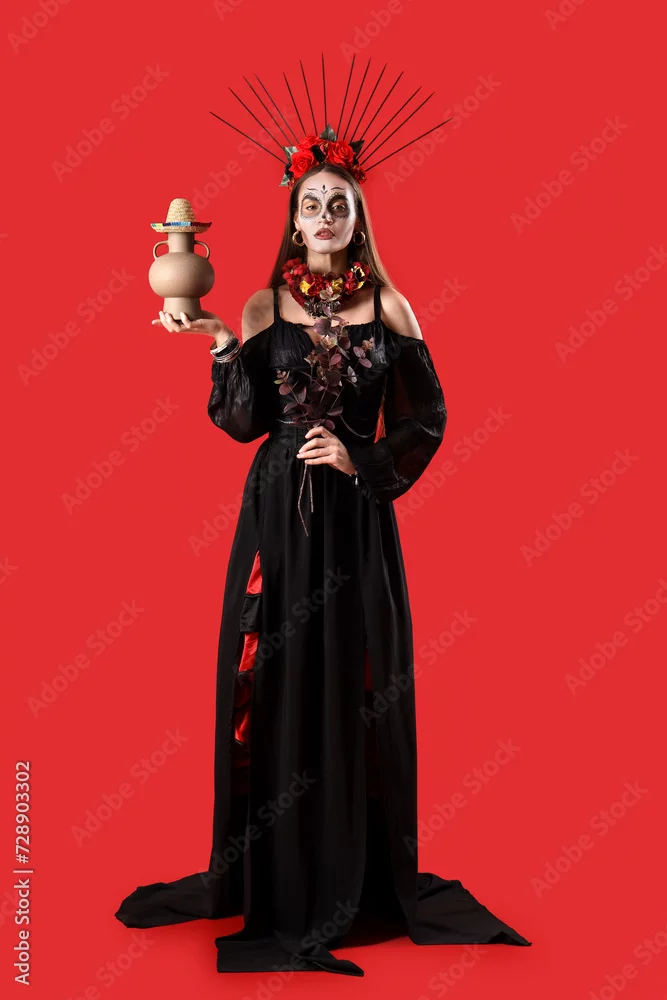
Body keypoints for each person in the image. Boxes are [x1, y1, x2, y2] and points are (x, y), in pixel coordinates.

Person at [115, 159, 530, 976]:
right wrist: (221, 343)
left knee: (352, 673)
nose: (325, 213)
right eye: (312, 203)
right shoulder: (263, 305)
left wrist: (359, 456)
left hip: (354, 517)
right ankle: (276, 869)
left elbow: (429, 417)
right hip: (276, 512)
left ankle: (351, 869)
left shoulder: (391, 307)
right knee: (268, 669)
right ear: (295, 220)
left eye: (340, 203)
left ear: (357, 219)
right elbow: (241, 421)